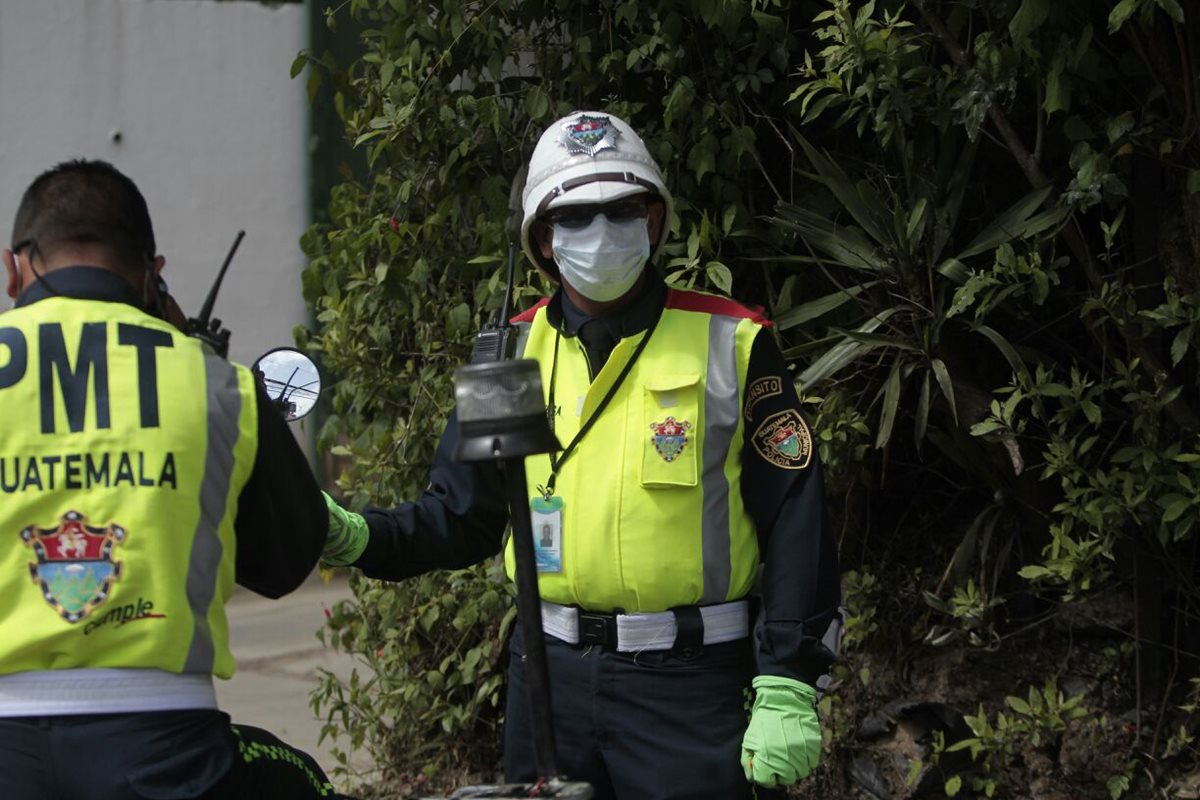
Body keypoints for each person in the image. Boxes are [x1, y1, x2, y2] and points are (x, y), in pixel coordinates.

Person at [321, 111, 842, 798]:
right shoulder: (512, 352)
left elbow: (797, 521)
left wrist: (788, 681)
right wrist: (358, 536)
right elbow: (462, 516)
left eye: (623, 208)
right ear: (543, 238)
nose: (602, 231)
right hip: (548, 683)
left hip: (692, 685)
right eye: (576, 216)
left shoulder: (731, 342)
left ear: (653, 221)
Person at [0, 159, 340, 800]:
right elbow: (285, 562)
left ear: (13, 268)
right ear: (154, 275)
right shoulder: (220, 385)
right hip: (165, 750)